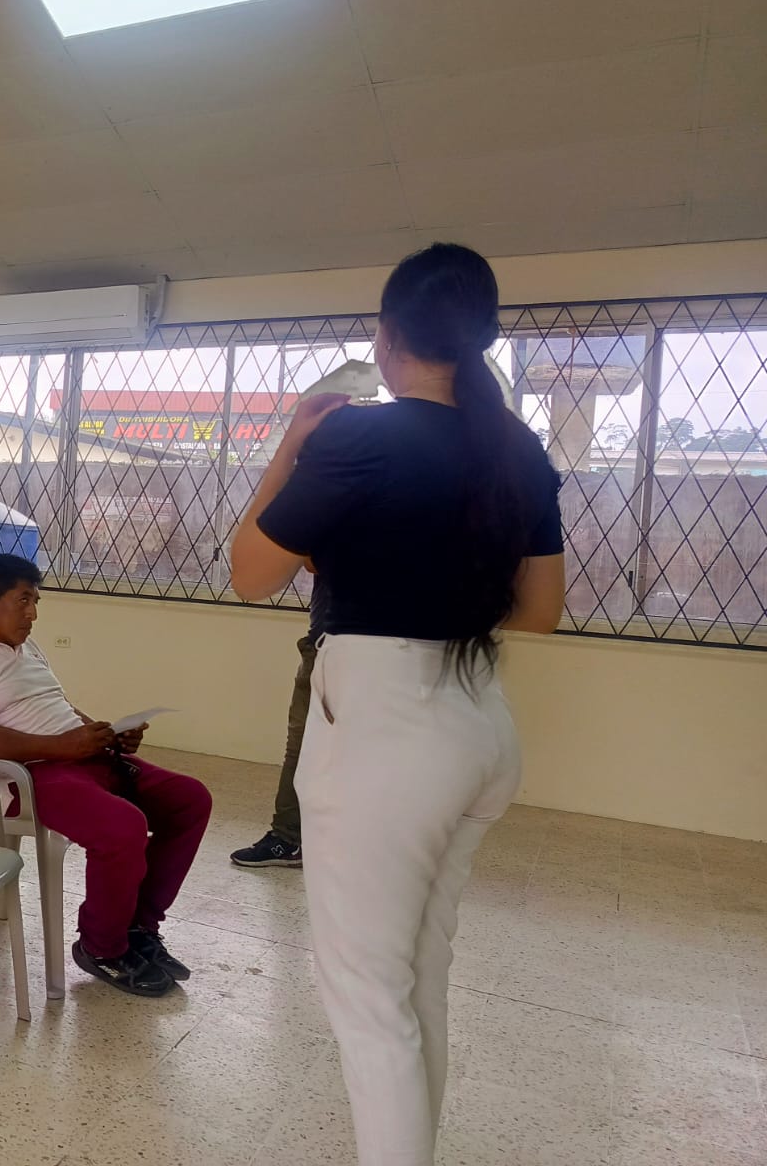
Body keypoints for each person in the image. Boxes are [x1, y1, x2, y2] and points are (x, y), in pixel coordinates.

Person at [227, 243, 565, 1166]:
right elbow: (540, 610)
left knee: (373, 1005)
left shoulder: (357, 439)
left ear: (386, 337)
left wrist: (293, 442)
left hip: (385, 737)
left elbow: (251, 573)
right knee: (418, 983)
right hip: (479, 726)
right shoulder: (517, 448)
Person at [0, 554, 213, 998]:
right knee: (123, 827)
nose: (33, 614)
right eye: (24, 601)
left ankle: (139, 926)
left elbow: (55, 707)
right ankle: (102, 946)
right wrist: (64, 747)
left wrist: (103, 733)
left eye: (36, 603)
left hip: (79, 757)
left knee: (190, 799)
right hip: (29, 776)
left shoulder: (26, 647)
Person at [229, 575, 326, 868]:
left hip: (367, 651)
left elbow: (254, 579)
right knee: (301, 750)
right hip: (325, 643)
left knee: (316, 752)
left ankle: (291, 838)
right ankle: (288, 838)